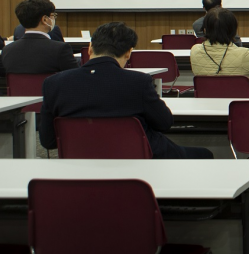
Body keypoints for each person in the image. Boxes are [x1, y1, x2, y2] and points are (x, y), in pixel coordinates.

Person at [38, 22, 213, 159]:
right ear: (129, 53)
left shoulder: (54, 83)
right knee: (204, 155)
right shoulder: (138, 82)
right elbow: (164, 123)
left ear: (90, 48)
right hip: (140, 160)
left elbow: (48, 140)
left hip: (81, 164)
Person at [190, 8, 249, 99]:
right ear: (233, 30)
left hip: (208, 103)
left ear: (205, 29)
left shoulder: (195, 51)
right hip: (243, 105)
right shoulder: (244, 54)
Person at [1, 0, 76, 77]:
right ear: (45, 19)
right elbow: (74, 77)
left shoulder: (7, 50)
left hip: (18, 90)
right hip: (48, 89)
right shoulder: (60, 49)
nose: (54, 18)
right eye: (53, 15)